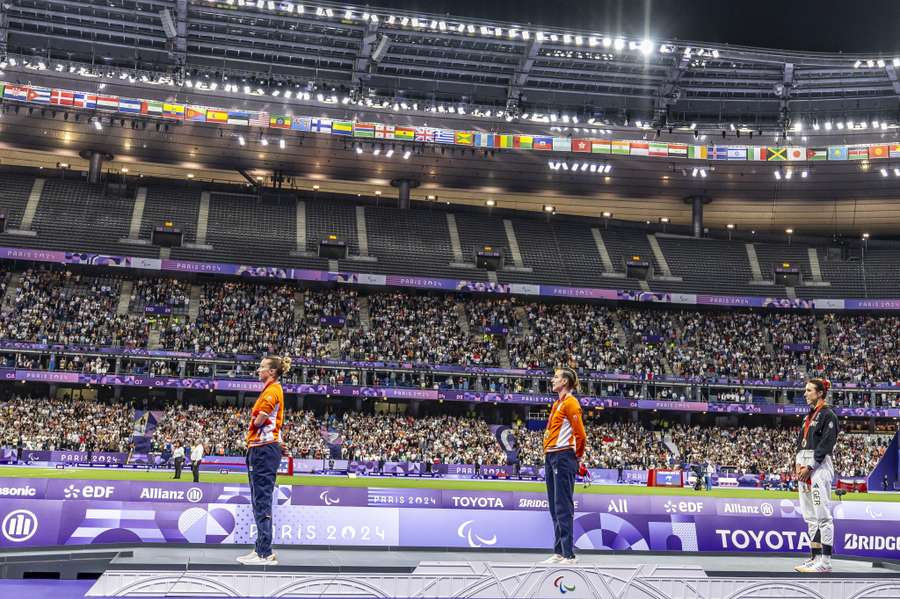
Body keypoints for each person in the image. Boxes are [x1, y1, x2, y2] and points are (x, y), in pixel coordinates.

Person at [237, 355, 290, 566]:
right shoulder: (272, 390)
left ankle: (265, 554)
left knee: (262, 501)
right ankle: (260, 549)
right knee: (259, 500)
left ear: (272, 372)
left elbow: (260, 420)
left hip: (263, 450)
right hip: (263, 448)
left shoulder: (272, 390)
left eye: (262, 367)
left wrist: (254, 422)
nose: (258, 370)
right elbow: (273, 423)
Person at [540, 367, 586, 565]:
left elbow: (581, 435)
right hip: (551, 456)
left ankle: (569, 554)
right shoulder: (557, 404)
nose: (553, 379)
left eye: (556, 377)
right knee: (554, 506)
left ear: (565, 382)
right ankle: (559, 551)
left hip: (563, 455)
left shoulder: (571, 403)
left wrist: (577, 457)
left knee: (563, 506)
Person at [794, 378, 839, 573]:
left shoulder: (829, 415)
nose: (805, 394)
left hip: (818, 467)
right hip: (804, 465)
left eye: (809, 390)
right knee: (810, 517)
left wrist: (810, 466)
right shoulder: (808, 416)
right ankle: (815, 557)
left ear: (820, 393)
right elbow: (800, 443)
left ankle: (826, 562)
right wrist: (797, 463)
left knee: (823, 516)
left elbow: (826, 445)